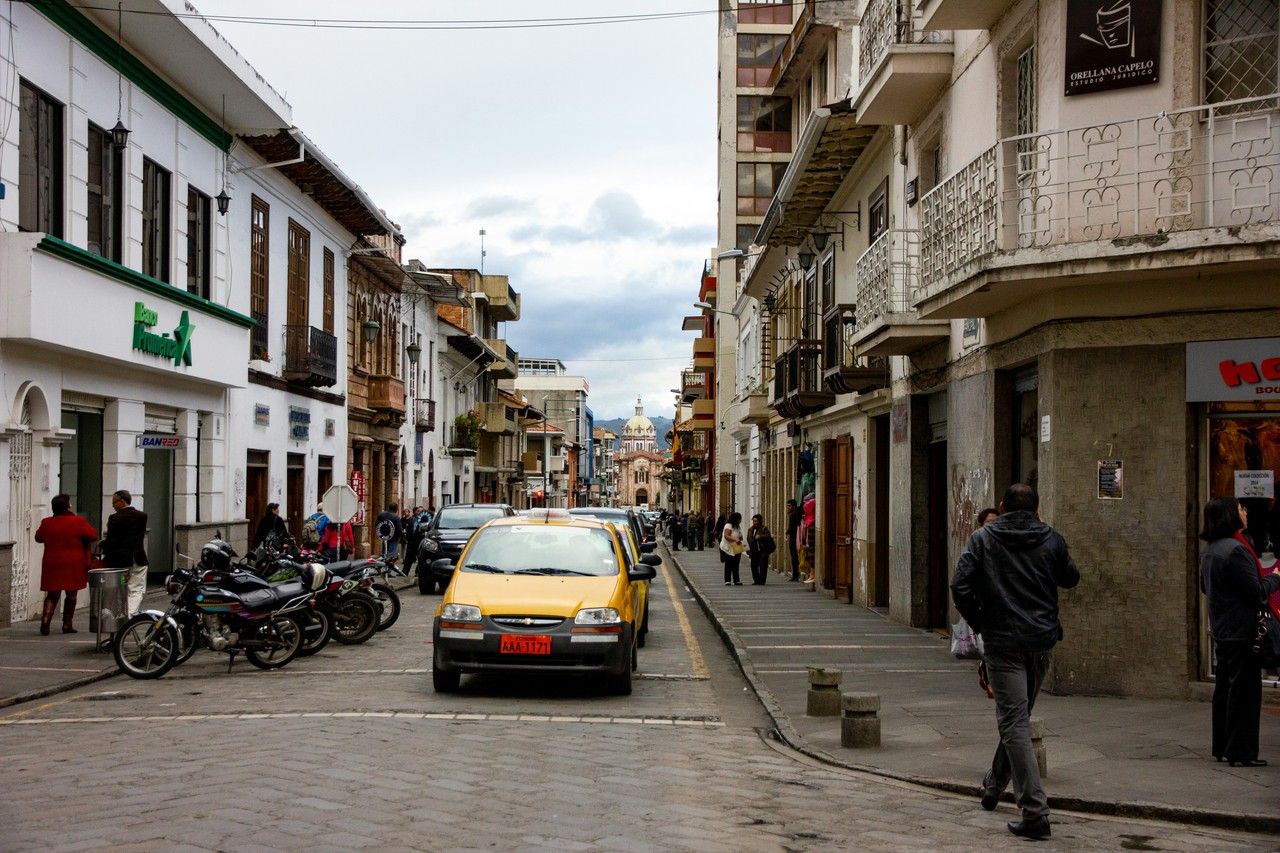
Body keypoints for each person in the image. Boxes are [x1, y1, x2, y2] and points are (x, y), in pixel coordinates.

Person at [950, 483, 1080, 841]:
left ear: (1003, 506)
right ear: (1037, 509)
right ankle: (994, 786)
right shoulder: (1051, 539)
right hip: (1041, 642)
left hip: (1004, 643)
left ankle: (1035, 812)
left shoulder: (983, 539)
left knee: (1014, 723)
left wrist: (982, 624)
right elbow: (1071, 578)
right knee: (1016, 721)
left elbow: (960, 587)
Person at [1199, 496, 1280, 767]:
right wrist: (1275, 578)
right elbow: (1256, 591)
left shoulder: (1210, 549)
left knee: (1225, 689)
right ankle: (1241, 752)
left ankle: (1222, 746)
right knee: (1244, 693)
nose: (1245, 511)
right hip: (1243, 630)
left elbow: (1205, 587)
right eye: (1240, 508)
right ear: (1229, 516)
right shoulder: (1236, 550)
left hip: (1222, 628)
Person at [33, 494, 98, 635]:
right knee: (71, 594)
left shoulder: (47, 522)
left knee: (52, 594)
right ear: (67, 506)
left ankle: (45, 621)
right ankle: (67, 624)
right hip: (73, 562)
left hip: (52, 562)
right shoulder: (78, 521)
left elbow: (38, 538)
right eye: (70, 503)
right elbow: (93, 535)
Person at [103, 489, 148, 615]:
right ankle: (130, 615)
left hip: (120, 561)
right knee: (136, 589)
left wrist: (104, 545)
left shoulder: (114, 518)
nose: (113, 506)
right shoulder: (142, 516)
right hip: (138, 559)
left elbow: (111, 541)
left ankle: (122, 615)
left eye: (114, 502)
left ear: (122, 501)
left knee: (121, 587)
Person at [747, 513, 775, 585]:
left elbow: (768, 536)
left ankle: (762, 580)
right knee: (753, 566)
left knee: (763, 566)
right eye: (753, 521)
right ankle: (756, 580)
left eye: (756, 521)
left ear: (759, 521)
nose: (754, 522)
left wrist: (760, 537)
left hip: (762, 549)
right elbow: (748, 538)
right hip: (753, 550)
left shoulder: (764, 528)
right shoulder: (750, 529)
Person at [719, 511, 745, 586]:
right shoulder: (728, 526)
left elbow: (739, 535)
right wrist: (735, 539)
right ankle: (727, 580)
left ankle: (736, 580)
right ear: (735, 519)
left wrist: (740, 538)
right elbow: (726, 536)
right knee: (729, 563)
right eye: (739, 519)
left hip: (735, 547)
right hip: (727, 548)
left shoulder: (737, 527)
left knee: (736, 563)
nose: (740, 521)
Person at [786, 498, 802, 581]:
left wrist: (787, 531)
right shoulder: (796, 513)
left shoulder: (792, 514)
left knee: (794, 557)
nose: (788, 508)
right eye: (787, 506)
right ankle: (796, 574)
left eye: (789, 506)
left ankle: (795, 574)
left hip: (793, 538)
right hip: (797, 537)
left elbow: (792, 527)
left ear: (794, 506)